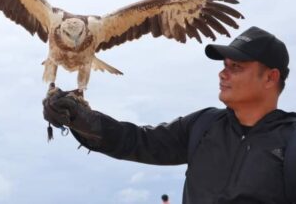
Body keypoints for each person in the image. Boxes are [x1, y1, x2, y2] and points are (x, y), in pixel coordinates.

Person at [43, 26, 296, 204]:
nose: (223, 74)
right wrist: (79, 118)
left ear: (270, 78)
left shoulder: (290, 139)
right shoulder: (203, 125)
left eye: (236, 67)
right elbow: (137, 141)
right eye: (224, 66)